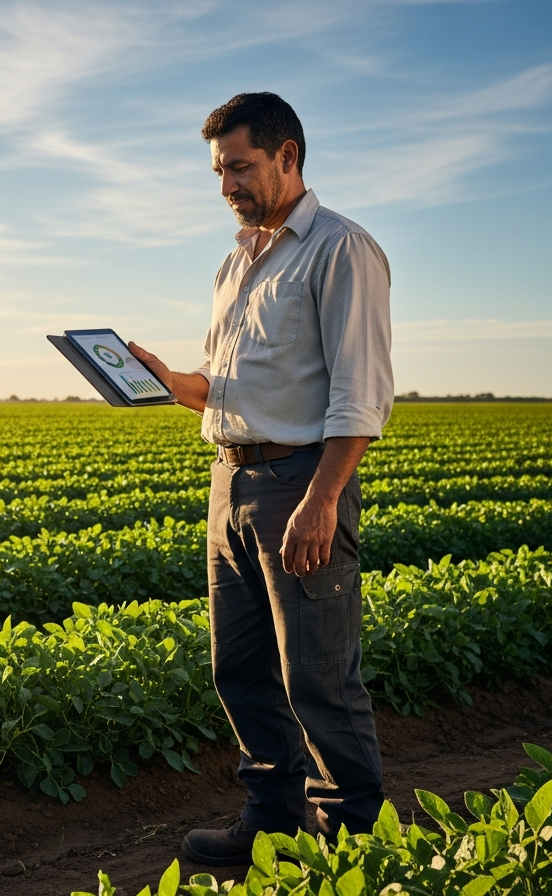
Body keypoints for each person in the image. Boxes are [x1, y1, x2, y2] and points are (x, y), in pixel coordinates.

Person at [127, 92, 393, 866]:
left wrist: (322, 498)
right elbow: (229, 382)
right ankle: (273, 828)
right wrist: (166, 379)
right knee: (240, 669)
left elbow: (360, 392)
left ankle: (357, 850)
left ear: (287, 157)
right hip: (231, 482)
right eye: (218, 170)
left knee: (317, 677)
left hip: (299, 482)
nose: (226, 186)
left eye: (239, 167)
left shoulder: (341, 248)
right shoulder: (238, 258)